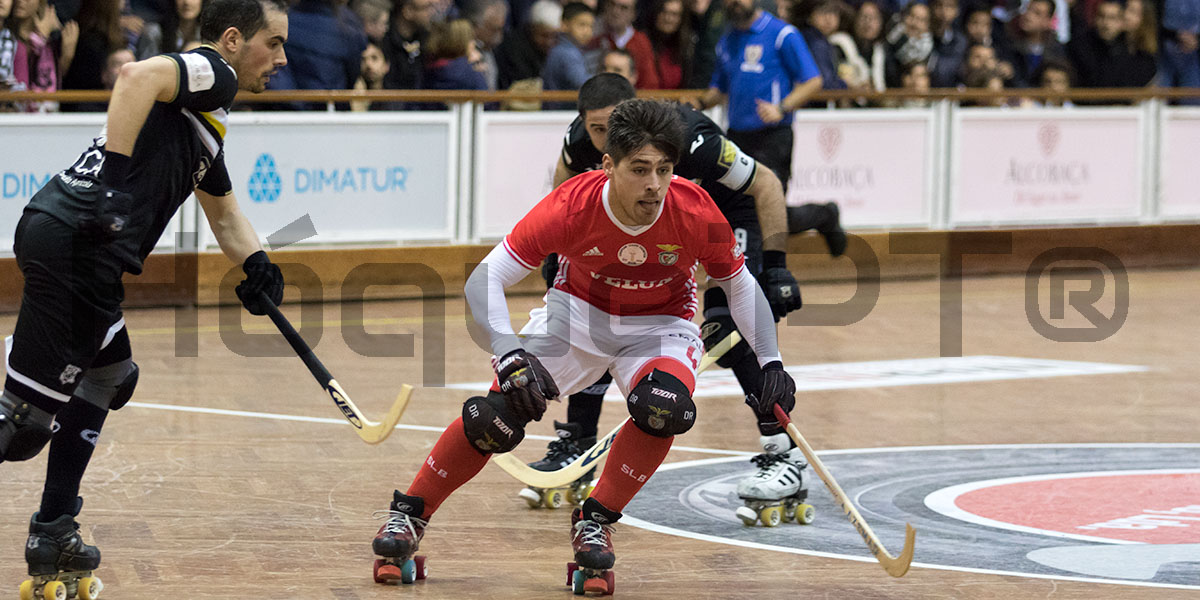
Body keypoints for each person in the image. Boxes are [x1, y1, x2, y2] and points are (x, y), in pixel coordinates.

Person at [369, 98, 800, 590]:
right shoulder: (570, 206)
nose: (655, 185)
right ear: (608, 165)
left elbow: (740, 286)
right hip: (576, 318)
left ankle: (595, 521)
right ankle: (408, 514)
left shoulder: (695, 211)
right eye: (640, 169)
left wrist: (771, 362)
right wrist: (508, 353)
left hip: (660, 325)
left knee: (666, 410)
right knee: (495, 419)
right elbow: (484, 279)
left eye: (664, 169)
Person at [0, 0, 289, 595]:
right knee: (22, 428)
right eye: (274, 43)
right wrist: (110, 186)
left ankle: (54, 528)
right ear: (233, 40)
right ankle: (52, 524)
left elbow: (227, 213)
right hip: (78, 249)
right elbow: (134, 76)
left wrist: (258, 264)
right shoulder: (214, 71)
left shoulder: (203, 121)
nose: (283, 58)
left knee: (112, 374)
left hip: (66, 239)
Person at [518, 73, 832, 514]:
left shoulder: (692, 138)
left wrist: (777, 266)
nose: (606, 139)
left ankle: (782, 455)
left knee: (728, 331)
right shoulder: (585, 134)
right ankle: (578, 442)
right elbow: (565, 173)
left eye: (615, 128)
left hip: (723, 216)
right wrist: (558, 247)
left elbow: (765, 184)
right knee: (600, 309)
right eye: (597, 131)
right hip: (649, 223)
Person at [695, 0, 821, 198]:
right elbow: (719, 89)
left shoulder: (782, 34)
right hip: (736, 136)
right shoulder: (727, 40)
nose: (735, 2)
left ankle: (823, 214)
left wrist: (781, 108)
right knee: (734, 204)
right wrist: (699, 103)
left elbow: (813, 81)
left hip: (772, 136)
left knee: (770, 204)